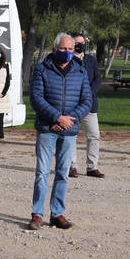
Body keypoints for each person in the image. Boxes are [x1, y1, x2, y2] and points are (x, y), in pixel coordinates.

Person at [28, 33, 92, 230]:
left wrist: (67, 121)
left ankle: (57, 213)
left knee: (63, 173)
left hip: (69, 130)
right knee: (42, 173)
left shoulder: (80, 72)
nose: (67, 53)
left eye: (70, 49)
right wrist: (57, 118)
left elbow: (86, 101)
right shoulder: (41, 70)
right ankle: (37, 214)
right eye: (63, 49)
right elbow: (37, 99)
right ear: (54, 49)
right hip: (47, 129)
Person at [69, 33, 104, 178]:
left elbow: (97, 79)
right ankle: (72, 166)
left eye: (82, 42)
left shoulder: (91, 60)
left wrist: (89, 94)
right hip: (72, 105)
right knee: (71, 136)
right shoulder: (67, 60)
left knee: (94, 135)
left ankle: (92, 167)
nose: (80, 45)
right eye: (77, 43)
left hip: (89, 105)